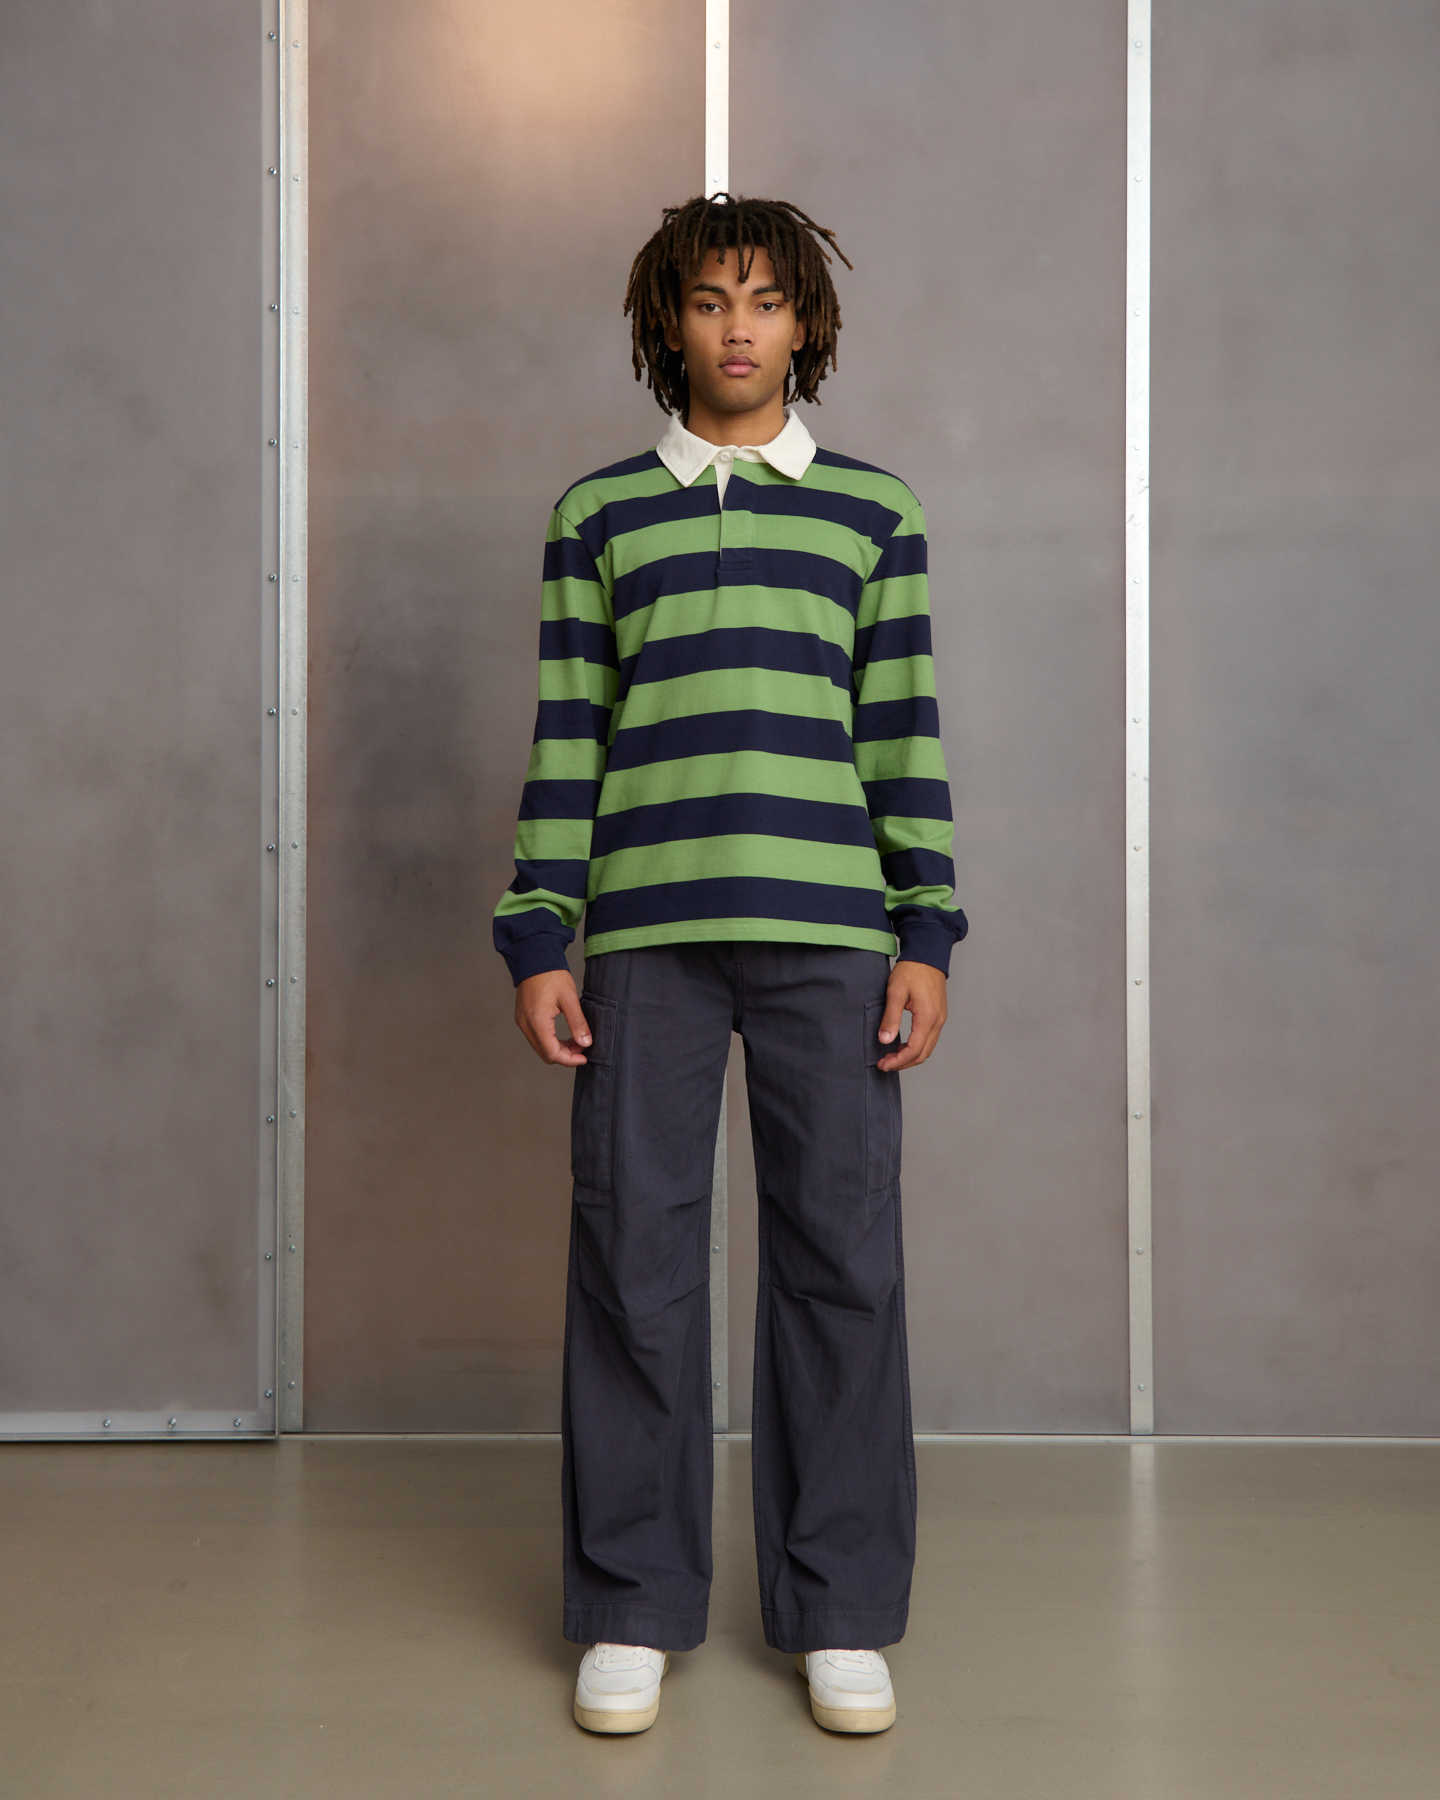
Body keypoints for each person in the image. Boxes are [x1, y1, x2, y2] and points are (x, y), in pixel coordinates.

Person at [492, 191, 968, 1735]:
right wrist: (539, 930)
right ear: (667, 324)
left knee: (842, 1265)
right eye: (709, 301)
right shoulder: (598, 517)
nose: (738, 327)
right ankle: (631, 1604)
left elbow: (901, 734)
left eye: (765, 300)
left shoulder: (874, 514)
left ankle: (841, 1610)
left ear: (806, 322)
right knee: (634, 1263)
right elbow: (571, 735)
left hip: (835, 939)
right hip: (646, 940)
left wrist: (927, 929)